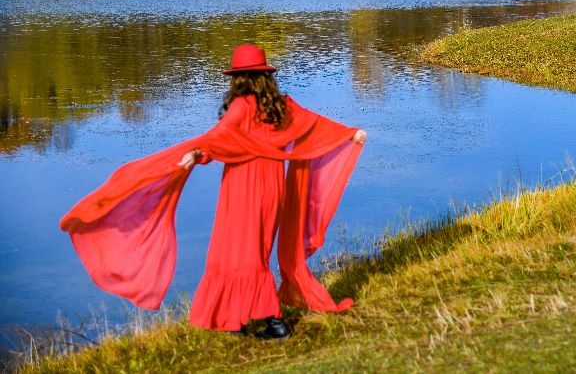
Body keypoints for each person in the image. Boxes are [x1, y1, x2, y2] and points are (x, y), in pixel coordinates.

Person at [60, 44, 366, 340]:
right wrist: (350, 133)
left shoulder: (241, 106)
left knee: (234, 253)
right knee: (253, 253)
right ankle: (238, 320)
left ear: (239, 78)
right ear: (265, 77)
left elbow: (218, 138)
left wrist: (195, 154)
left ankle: (272, 322)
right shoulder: (282, 107)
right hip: (272, 190)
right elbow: (313, 125)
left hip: (243, 189)